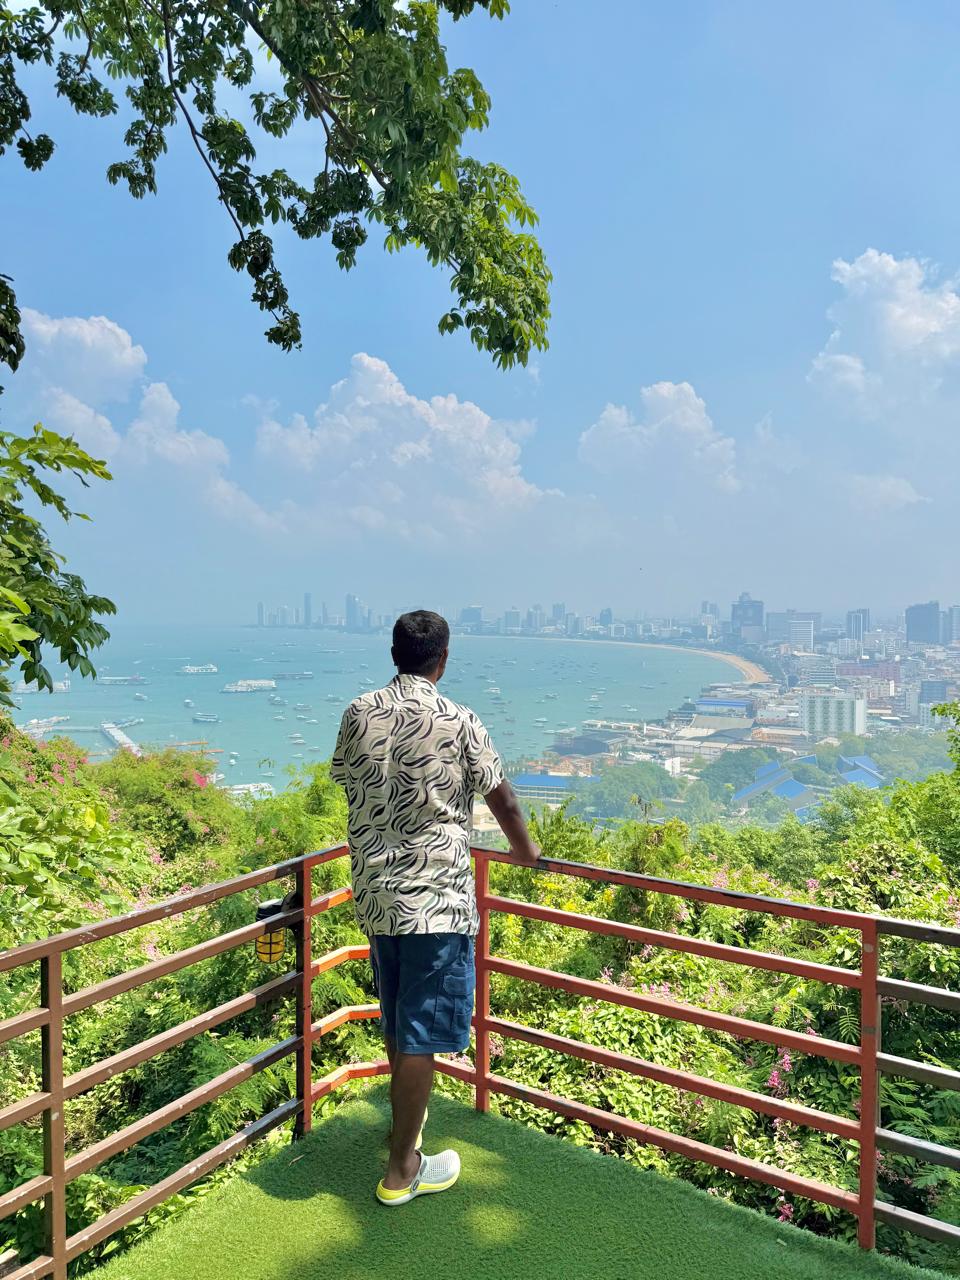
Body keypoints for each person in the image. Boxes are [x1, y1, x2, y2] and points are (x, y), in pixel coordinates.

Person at [331, 609, 541, 1206]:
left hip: (377, 892)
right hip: (437, 899)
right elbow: (504, 802)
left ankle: (406, 1132)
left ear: (394, 654)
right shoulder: (459, 720)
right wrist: (527, 854)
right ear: (443, 660)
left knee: (400, 1018)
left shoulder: (358, 712)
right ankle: (403, 1170)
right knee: (421, 1030)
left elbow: (349, 780)